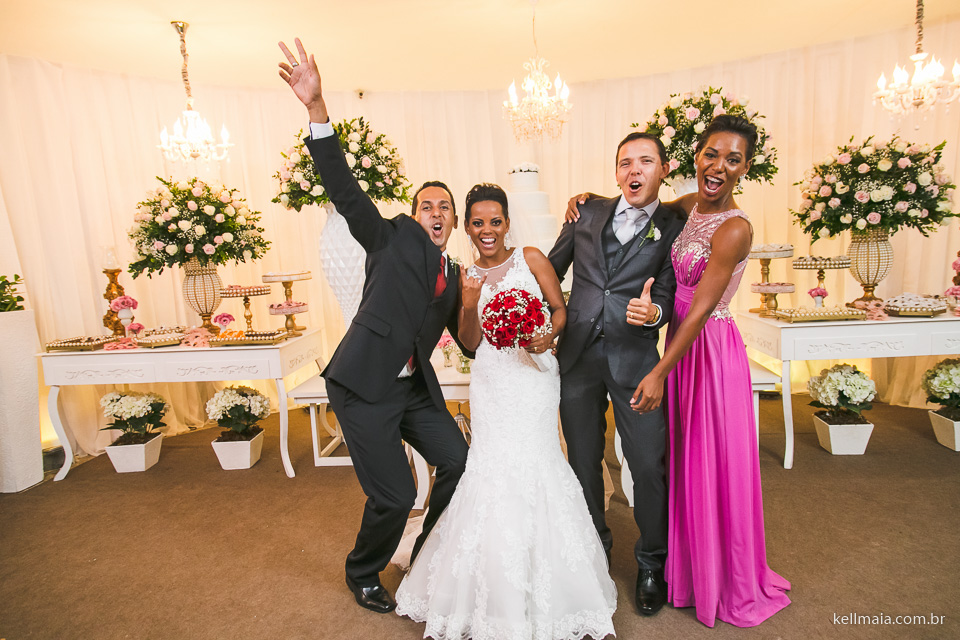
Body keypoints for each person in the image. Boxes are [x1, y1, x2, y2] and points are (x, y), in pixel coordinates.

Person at [278, 39, 470, 614]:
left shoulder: (455, 275)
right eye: (426, 206)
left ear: (455, 222)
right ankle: (362, 571)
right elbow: (344, 188)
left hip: (411, 389)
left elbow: (466, 340)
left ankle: (428, 546)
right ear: (413, 216)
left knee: (458, 460)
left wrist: (488, 313)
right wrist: (317, 108)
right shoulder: (388, 240)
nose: (436, 213)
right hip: (363, 386)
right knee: (395, 493)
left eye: (445, 208)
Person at [395, 184, 617, 640]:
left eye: (495, 221)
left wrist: (548, 336)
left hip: (534, 378)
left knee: (539, 463)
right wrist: (470, 303)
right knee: (490, 469)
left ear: (507, 223)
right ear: (467, 227)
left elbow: (560, 310)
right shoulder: (462, 276)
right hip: (493, 382)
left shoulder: (531, 259)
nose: (487, 230)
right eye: (478, 223)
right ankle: (491, 588)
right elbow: (470, 342)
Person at [628, 114, 791, 627]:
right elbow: (644, 201)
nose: (718, 167)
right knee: (683, 458)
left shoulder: (736, 227)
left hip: (708, 348)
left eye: (732, 160)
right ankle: (690, 567)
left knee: (709, 459)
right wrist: (588, 200)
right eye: (711, 154)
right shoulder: (689, 206)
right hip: (681, 343)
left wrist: (659, 371)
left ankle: (723, 577)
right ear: (697, 157)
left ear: (746, 168)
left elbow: (700, 307)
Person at [547, 132, 686, 616]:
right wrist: (542, 318)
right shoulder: (585, 212)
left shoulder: (675, 226)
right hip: (577, 358)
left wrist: (654, 314)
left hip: (636, 362)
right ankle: (594, 549)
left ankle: (651, 563)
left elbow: (666, 293)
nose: (634, 170)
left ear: (663, 169)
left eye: (645, 161)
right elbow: (550, 270)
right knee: (583, 460)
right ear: (616, 172)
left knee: (647, 464)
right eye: (626, 162)